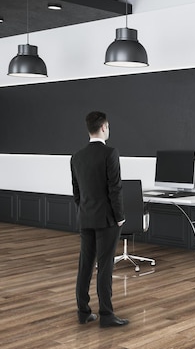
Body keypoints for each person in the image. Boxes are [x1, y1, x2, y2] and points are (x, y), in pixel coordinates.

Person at [70, 111, 129, 328]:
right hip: (107, 220)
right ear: (104, 127)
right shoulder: (110, 153)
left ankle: (83, 311)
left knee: (85, 265)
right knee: (105, 267)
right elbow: (115, 189)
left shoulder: (76, 156)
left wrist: (84, 210)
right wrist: (120, 217)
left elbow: (76, 192)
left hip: (85, 217)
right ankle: (106, 314)